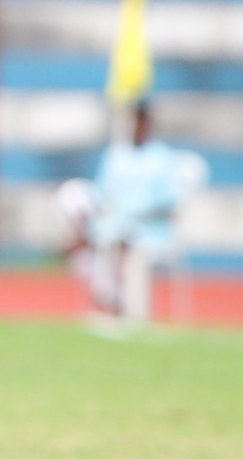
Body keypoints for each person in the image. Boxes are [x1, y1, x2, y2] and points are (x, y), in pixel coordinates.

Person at [60, 100, 204, 326]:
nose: (136, 127)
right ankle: (106, 304)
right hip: (112, 229)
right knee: (91, 247)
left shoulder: (161, 159)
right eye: (133, 122)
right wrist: (86, 221)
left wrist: (133, 221)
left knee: (132, 255)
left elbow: (170, 203)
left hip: (149, 231)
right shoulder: (117, 155)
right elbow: (101, 194)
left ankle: (135, 314)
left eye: (141, 122)